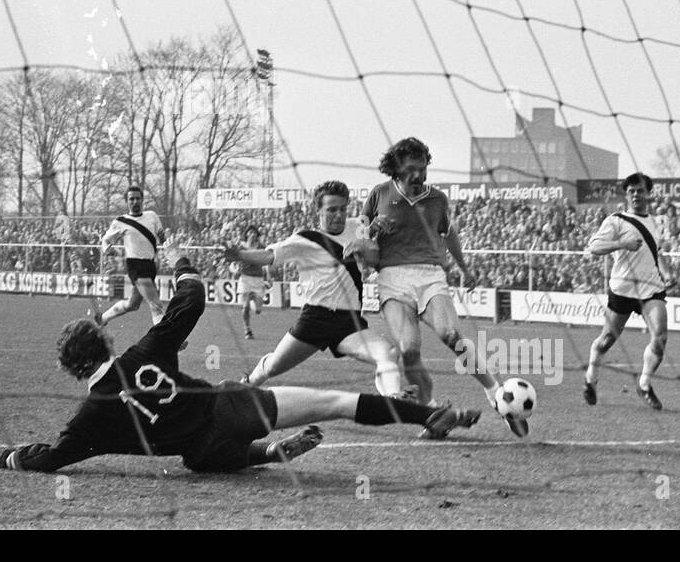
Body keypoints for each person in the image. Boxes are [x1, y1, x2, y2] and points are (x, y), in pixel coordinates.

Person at [0, 258, 470, 475]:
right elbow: (193, 300)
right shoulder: (145, 352)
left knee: (201, 459)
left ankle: (266, 454)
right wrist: (181, 268)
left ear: (71, 369)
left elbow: (51, 458)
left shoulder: (91, 417)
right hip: (231, 407)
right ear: (106, 339)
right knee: (337, 403)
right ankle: (426, 416)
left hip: (203, 454)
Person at [225, 180, 478, 433]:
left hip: (349, 323)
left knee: (388, 353)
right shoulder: (304, 239)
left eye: (343, 209)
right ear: (318, 211)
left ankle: (395, 399)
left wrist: (377, 231)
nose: (338, 215)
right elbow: (269, 256)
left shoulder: (358, 227)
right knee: (273, 367)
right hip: (315, 319)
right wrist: (241, 255)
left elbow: (378, 247)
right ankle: (248, 384)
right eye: (331, 209)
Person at [361, 137, 526, 437]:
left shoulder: (437, 200)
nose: (417, 175)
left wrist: (464, 268)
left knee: (451, 334)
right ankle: (433, 414)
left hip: (430, 275)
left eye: (422, 168)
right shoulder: (378, 195)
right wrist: (372, 230)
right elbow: (360, 237)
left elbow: (449, 234)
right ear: (396, 169)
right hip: (392, 279)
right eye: (410, 168)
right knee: (409, 350)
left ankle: (497, 396)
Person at [584, 172, 672, 410]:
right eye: (631, 191)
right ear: (626, 194)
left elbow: (658, 253)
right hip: (623, 287)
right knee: (607, 340)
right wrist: (622, 244)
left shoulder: (656, 222)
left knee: (661, 336)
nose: (635, 195)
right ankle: (591, 379)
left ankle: (644, 385)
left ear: (648, 193)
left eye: (640, 191)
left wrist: (666, 271)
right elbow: (593, 247)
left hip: (651, 288)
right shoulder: (616, 220)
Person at [92, 186, 167, 327]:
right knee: (156, 305)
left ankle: (102, 318)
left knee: (133, 304)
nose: (135, 201)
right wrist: (110, 251)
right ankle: (171, 339)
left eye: (138, 198)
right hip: (135, 266)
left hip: (150, 265)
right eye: (131, 199)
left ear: (142, 200)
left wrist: (169, 244)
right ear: (127, 202)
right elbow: (105, 240)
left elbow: (162, 236)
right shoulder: (121, 221)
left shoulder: (152, 216)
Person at [234, 226, 270, 339]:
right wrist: (235, 270)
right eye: (250, 232)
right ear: (247, 234)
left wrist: (268, 276)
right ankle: (247, 330)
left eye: (255, 232)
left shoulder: (261, 247)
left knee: (258, 310)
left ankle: (253, 297)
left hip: (258, 279)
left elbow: (267, 261)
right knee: (245, 307)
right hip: (245, 278)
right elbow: (233, 262)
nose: (253, 234)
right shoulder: (241, 247)